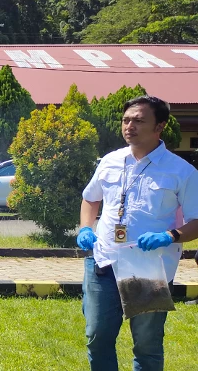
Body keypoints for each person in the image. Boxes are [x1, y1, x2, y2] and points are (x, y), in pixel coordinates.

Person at [77, 95, 198, 371]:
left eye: (139, 120)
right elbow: (90, 199)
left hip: (149, 268)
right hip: (103, 262)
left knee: (146, 344)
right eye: (126, 120)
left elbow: (197, 219)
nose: (129, 126)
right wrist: (86, 227)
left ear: (160, 126)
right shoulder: (110, 161)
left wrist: (171, 236)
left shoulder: (181, 171)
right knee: (97, 336)